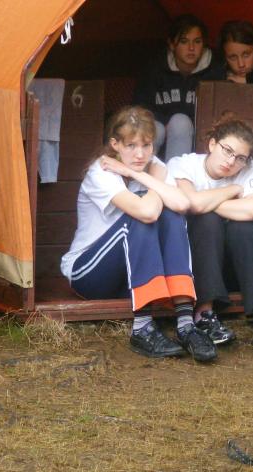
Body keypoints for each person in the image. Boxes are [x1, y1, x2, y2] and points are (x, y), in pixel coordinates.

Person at [60, 106, 216, 361]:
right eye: (131, 145)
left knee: (173, 215)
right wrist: (151, 181)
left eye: (146, 145)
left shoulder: (151, 166)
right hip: (88, 273)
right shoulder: (102, 171)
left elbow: (182, 204)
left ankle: (186, 323)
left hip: (130, 278)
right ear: (115, 144)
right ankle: (142, 327)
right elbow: (147, 213)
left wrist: (137, 175)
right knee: (141, 218)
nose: (140, 154)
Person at [169, 116, 253, 355]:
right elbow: (191, 204)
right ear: (212, 144)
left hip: (237, 268)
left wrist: (204, 202)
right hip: (198, 268)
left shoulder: (251, 170)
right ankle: (205, 312)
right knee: (207, 220)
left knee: (244, 226)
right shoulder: (183, 164)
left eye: (240, 158)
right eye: (227, 150)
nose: (231, 162)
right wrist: (231, 190)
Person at [134, 14, 223, 161]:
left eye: (197, 41)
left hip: (196, 135)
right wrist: (165, 121)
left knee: (180, 122)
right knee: (157, 128)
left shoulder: (215, 70)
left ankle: (175, 180)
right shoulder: (155, 68)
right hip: (157, 129)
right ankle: (139, 178)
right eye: (184, 41)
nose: (191, 48)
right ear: (171, 44)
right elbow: (140, 106)